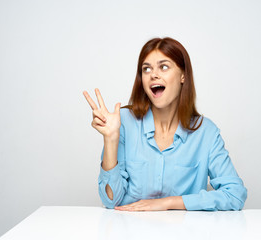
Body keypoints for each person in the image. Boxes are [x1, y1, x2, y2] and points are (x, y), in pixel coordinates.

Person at [83, 37, 247, 211]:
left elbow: (235, 194)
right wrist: (110, 139)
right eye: (146, 69)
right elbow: (111, 200)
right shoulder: (122, 122)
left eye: (164, 67)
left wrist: (169, 203)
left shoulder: (205, 132)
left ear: (183, 76)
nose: (154, 74)